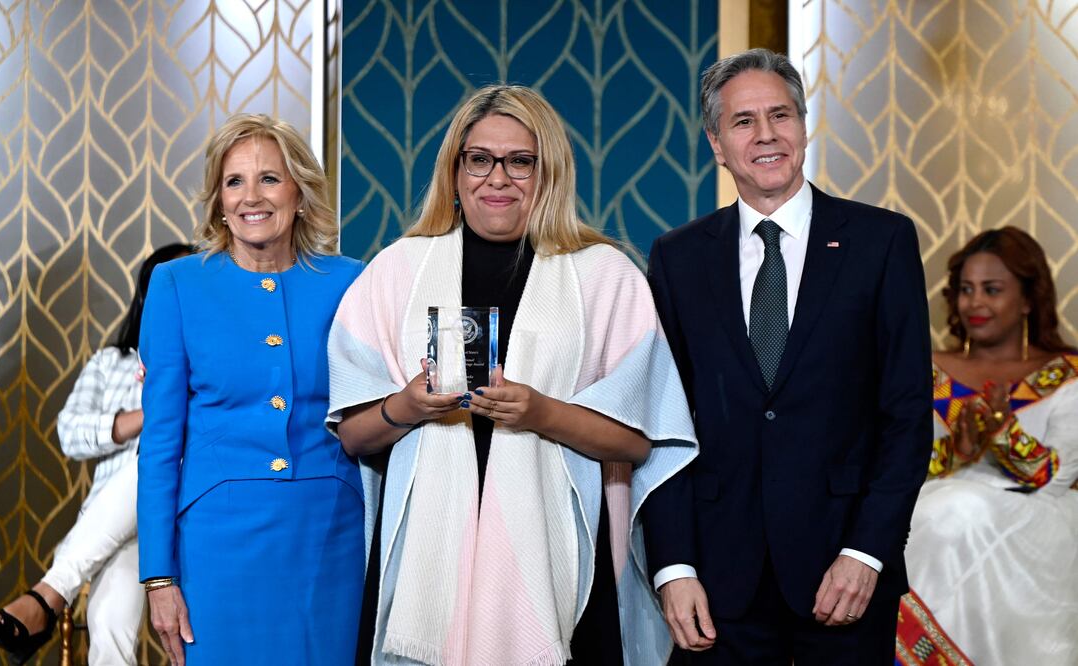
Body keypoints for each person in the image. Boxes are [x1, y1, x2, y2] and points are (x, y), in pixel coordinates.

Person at [327, 84, 697, 665]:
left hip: (560, 559)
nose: (497, 178)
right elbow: (352, 434)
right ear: (455, 171)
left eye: (520, 161)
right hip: (429, 558)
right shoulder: (396, 270)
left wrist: (542, 413)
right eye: (479, 159)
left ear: (549, 172)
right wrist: (407, 406)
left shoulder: (604, 276)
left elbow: (638, 440)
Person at [641, 48, 934, 665]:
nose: (767, 134)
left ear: (803, 126)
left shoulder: (881, 242)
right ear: (717, 143)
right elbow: (663, 422)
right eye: (744, 121)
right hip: (717, 581)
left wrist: (867, 553)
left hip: (844, 572)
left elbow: (906, 415)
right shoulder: (677, 257)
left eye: (781, 115)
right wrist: (672, 565)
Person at [137, 114, 366, 665]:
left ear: (300, 192)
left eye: (269, 178)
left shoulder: (355, 280)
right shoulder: (177, 284)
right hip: (217, 540)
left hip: (328, 532)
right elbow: (161, 442)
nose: (250, 197)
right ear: (218, 198)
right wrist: (157, 576)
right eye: (234, 181)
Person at [0, 243, 192, 665]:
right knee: (109, 621)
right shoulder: (111, 363)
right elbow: (70, 433)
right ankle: (47, 597)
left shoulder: (209, 363)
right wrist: (153, 412)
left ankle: (46, 596)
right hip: (111, 530)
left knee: (149, 461)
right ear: (146, 299)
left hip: (178, 517)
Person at [900, 227, 1078, 665]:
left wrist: (1002, 432)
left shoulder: (1067, 373)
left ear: (1029, 299)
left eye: (992, 290)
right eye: (966, 289)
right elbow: (895, 460)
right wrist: (957, 453)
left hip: (1032, 517)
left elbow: (1055, 478)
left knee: (956, 509)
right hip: (933, 502)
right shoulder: (928, 368)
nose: (975, 303)